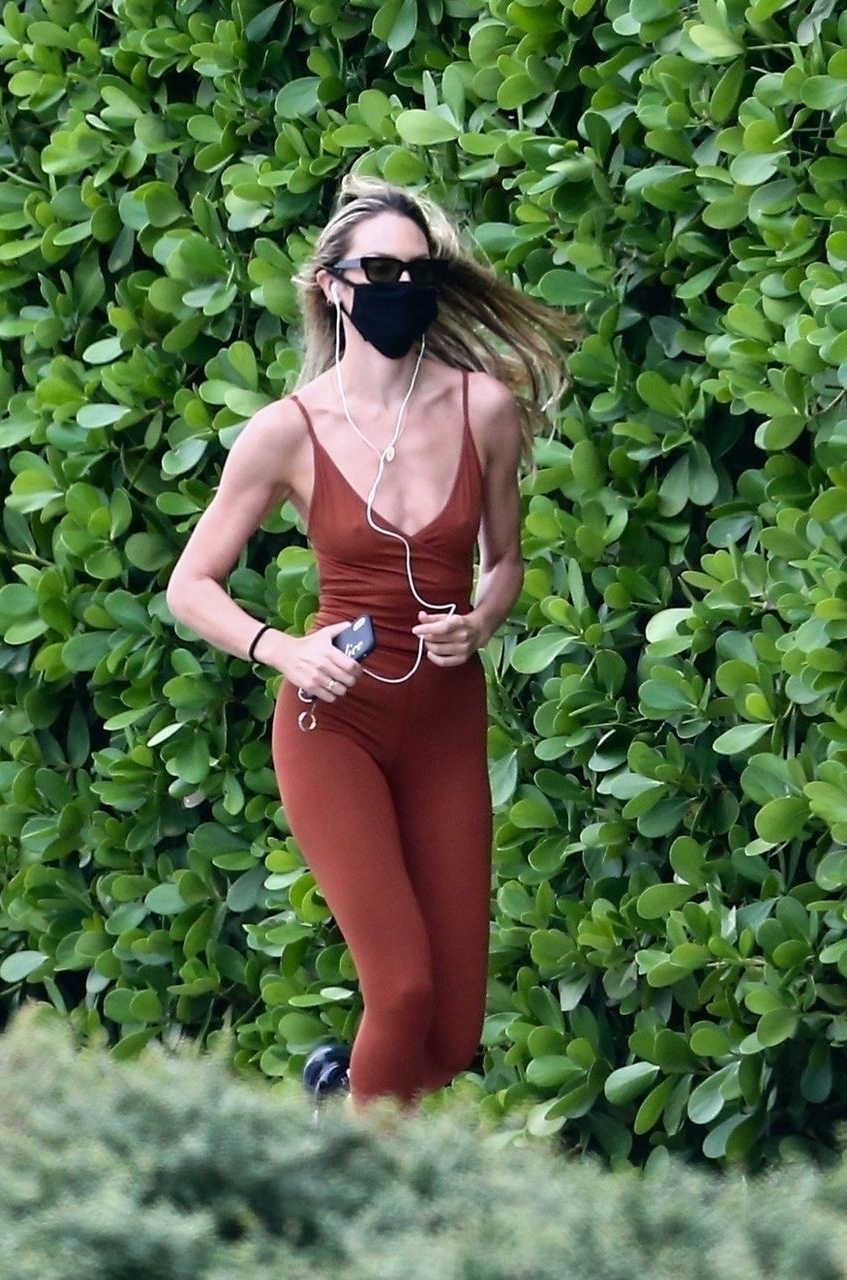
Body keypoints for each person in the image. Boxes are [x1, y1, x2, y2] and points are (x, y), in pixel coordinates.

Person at [165, 175, 577, 1116]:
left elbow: (506, 561)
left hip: (444, 721)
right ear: (333, 286)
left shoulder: (483, 410)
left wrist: (480, 621)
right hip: (333, 721)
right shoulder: (287, 431)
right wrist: (281, 649)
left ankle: (343, 1100)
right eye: (381, 272)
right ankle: (354, 1183)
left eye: (420, 272)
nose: (403, 288)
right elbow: (190, 586)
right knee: (400, 988)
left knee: (452, 1034)